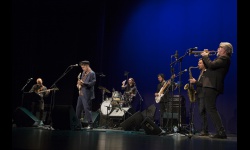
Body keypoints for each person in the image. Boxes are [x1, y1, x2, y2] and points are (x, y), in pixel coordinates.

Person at [193, 42, 233, 139]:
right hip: (210, 85)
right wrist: (204, 57)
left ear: (226, 51)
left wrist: (206, 56)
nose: (218, 49)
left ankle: (221, 131)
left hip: (213, 86)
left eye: (220, 47)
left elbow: (211, 65)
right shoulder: (220, 59)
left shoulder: (225, 59)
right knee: (210, 108)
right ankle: (220, 131)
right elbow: (209, 65)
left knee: (211, 108)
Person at [189, 58, 208, 136]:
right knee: (201, 113)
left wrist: (195, 82)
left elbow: (204, 84)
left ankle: (205, 130)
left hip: (203, 95)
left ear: (204, 64)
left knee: (202, 112)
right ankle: (203, 130)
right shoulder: (201, 72)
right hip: (199, 95)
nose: (198, 64)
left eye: (200, 63)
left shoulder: (206, 73)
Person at [75, 60, 96, 130]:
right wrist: (78, 84)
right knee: (78, 109)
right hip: (81, 93)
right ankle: (77, 124)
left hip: (87, 94)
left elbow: (92, 83)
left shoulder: (92, 73)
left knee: (87, 109)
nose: (82, 68)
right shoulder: (84, 72)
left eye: (83, 67)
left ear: (87, 66)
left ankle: (91, 125)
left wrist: (83, 83)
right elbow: (81, 81)